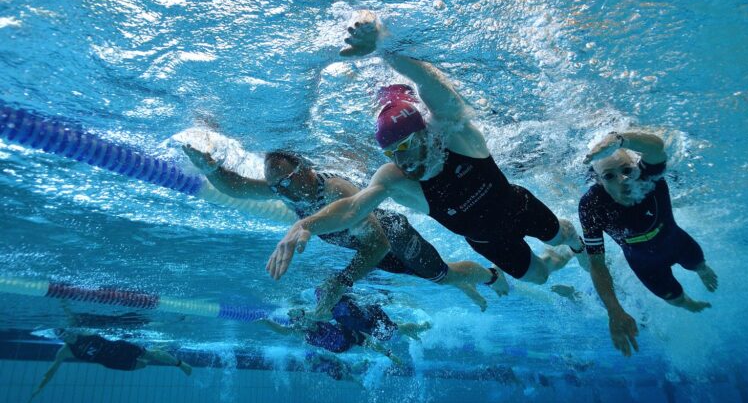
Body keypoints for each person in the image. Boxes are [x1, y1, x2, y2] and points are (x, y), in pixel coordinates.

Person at [268, 10, 585, 288]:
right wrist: (305, 223)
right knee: (540, 276)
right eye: (394, 153)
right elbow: (352, 209)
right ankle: (559, 258)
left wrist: (382, 48)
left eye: (406, 145)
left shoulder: (456, 136)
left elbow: (426, 79)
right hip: (488, 242)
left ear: (427, 133)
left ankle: (578, 246)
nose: (403, 159)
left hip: (520, 208)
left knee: (564, 237)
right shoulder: (395, 178)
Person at [183, 146, 509, 315]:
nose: (281, 191)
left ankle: (492, 275)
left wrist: (341, 282)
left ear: (305, 170)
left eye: (285, 181)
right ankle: (464, 282)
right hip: (369, 249)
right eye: (274, 185)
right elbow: (237, 188)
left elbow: (378, 244)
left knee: (444, 276)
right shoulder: (288, 188)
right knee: (433, 277)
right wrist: (207, 163)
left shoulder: (335, 191)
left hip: (393, 237)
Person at [579, 131, 719, 356]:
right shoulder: (591, 205)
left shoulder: (647, 178)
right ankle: (690, 304)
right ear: (597, 180)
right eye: (609, 176)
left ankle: (702, 271)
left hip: (676, 242)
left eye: (626, 170)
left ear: (635, 168)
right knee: (675, 299)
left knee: (697, 263)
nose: (623, 179)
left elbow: (656, 149)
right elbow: (596, 262)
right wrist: (614, 311)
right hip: (644, 262)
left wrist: (618, 140)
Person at [259, 294, 430, 364]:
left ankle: (423, 326)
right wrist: (266, 322)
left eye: (303, 320)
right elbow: (284, 330)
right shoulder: (300, 331)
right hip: (344, 344)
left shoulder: (320, 318)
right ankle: (410, 332)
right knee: (389, 333)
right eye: (300, 322)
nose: (303, 324)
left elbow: (322, 314)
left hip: (350, 333)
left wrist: (389, 355)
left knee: (392, 332)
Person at [30, 330, 191, 400]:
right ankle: (160, 349)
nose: (69, 336)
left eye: (68, 332)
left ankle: (180, 364)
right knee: (144, 365)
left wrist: (62, 298)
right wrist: (40, 386)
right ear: (62, 339)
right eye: (65, 336)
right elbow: (51, 371)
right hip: (112, 362)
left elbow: (70, 313)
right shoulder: (65, 351)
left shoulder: (83, 331)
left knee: (149, 355)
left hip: (120, 346)